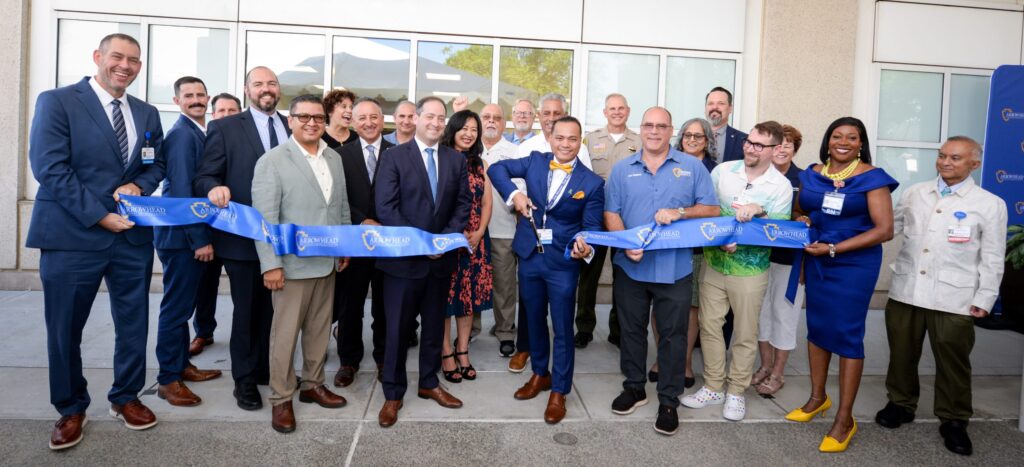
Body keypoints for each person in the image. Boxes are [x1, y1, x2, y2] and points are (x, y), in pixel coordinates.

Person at [28, 33, 165, 450]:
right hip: (73, 234)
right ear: (98, 57)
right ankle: (71, 407)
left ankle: (126, 397)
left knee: (133, 323)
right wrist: (99, 215)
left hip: (131, 237)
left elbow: (155, 163)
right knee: (65, 327)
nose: (125, 65)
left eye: (134, 60)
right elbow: (50, 168)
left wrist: (140, 186)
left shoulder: (147, 112)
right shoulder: (58, 101)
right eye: (117, 57)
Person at [876, 136, 1006, 456]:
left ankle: (954, 419)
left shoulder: (990, 204)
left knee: (953, 361)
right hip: (907, 290)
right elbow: (888, 226)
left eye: (955, 158)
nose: (946, 162)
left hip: (955, 297)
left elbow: (992, 257)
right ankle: (901, 403)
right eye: (942, 155)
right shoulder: (915, 192)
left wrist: (985, 297)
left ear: (974, 164)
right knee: (902, 353)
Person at [784, 117, 897, 453]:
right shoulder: (813, 174)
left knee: (847, 335)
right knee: (817, 328)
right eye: (837, 136)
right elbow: (800, 209)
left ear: (861, 143)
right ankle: (817, 398)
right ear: (828, 140)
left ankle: (845, 419)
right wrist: (803, 219)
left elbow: (884, 230)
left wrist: (834, 248)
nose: (843, 142)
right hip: (817, 258)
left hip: (853, 264)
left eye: (852, 137)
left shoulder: (872, 178)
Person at [605, 107, 719, 436]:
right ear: (640, 129)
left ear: (671, 131)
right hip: (631, 266)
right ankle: (634, 387)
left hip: (675, 268)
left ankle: (669, 400)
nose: (654, 131)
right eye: (649, 125)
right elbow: (611, 212)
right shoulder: (622, 169)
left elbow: (712, 209)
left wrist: (680, 212)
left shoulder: (692, 167)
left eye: (661, 126)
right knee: (631, 331)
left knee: (673, 336)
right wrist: (626, 242)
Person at [489, 115, 604, 424]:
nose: (565, 144)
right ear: (550, 138)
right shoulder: (535, 161)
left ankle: (560, 390)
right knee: (534, 319)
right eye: (560, 138)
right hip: (530, 255)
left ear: (580, 142)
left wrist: (585, 245)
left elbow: (592, 228)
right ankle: (540, 373)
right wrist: (515, 195)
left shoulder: (592, 183)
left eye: (572, 139)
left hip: (563, 263)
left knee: (563, 328)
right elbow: (496, 169)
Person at [681, 121, 793, 422]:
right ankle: (713, 386)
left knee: (745, 332)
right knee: (709, 327)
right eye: (748, 142)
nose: (750, 148)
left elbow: (778, 230)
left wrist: (759, 210)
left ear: (774, 150)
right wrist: (720, 238)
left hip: (750, 272)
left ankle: (735, 391)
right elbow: (708, 210)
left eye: (759, 145)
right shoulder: (722, 172)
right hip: (714, 264)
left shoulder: (780, 186)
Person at [252, 94, 351, 434]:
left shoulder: (334, 158)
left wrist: (343, 245)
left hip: (327, 262)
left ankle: (312, 384)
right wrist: (270, 264)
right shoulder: (272, 161)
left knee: (319, 330)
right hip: (291, 267)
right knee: (284, 337)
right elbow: (265, 220)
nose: (312, 123)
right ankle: (281, 398)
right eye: (304, 117)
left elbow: (340, 206)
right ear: (290, 120)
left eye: (318, 118)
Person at [194, 66, 289, 412]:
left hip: (284, 239)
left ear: (279, 89)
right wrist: (213, 188)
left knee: (273, 311)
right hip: (243, 238)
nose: (266, 89)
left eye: (271, 83)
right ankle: (244, 380)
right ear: (247, 90)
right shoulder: (225, 127)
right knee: (247, 311)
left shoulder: (291, 125)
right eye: (258, 83)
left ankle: (264, 369)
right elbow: (205, 175)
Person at [374, 96, 472, 428]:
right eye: (429, 116)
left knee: (433, 328)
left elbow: (463, 205)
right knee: (397, 331)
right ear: (416, 119)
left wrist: (442, 240)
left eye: (441, 118)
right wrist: (421, 243)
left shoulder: (455, 160)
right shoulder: (393, 157)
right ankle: (393, 393)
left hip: (440, 262)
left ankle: (429, 383)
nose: (435, 122)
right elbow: (386, 207)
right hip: (403, 263)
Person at [507, 93, 593, 371]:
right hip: (530, 236)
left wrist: (583, 238)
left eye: (557, 113)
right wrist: (518, 200)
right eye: (547, 113)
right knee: (530, 306)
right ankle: (527, 351)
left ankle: (554, 373)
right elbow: (513, 185)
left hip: (561, 245)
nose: (551, 118)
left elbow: (585, 192)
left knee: (560, 313)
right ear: (539, 117)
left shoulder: (579, 151)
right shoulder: (528, 149)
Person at [153, 76, 223, 408]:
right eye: (189, 95)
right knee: (176, 308)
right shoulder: (182, 135)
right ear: (177, 101)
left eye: (200, 94)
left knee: (183, 307)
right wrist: (199, 239)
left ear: (208, 98)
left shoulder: (199, 131)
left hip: (187, 235)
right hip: (181, 238)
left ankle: (181, 365)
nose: (196, 99)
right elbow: (182, 192)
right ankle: (168, 379)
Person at [333, 97, 394, 388]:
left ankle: (384, 358)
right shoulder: (339, 156)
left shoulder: (399, 153)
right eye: (362, 118)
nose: (368, 123)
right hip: (353, 243)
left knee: (385, 306)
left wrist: (384, 223)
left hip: (388, 242)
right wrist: (362, 221)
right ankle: (348, 361)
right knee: (349, 306)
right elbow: (336, 198)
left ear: (382, 120)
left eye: (374, 117)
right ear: (353, 123)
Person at [575, 93, 641, 349]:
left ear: (628, 111)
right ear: (605, 112)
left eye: (621, 108)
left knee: (622, 274)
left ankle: (618, 329)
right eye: (612, 108)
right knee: (589, 273)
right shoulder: (590, 139)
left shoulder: (639, 141)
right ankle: (584, 328)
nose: (616, 112)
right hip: (595, 215)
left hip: (626, 215)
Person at [657, 117, 718, 388]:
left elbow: (715, 209)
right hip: (665, 243)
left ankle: (684, 362)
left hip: (697, 248)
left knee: (691, 306)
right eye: (687, 135)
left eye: (698, 136)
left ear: (708, 141)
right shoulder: (665, 163)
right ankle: (661, 359)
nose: (692, 140)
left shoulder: (715, 170)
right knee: (660, 302)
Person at [439, 110, 494, 383]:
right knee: (444, 297)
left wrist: (480, 231)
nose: (469, 134)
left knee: (467, 297)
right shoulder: (440, 158)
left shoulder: (480, 164)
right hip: (447, 238)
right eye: (464, 128)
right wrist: (453, 232)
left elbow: (486, 202)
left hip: (475, 240)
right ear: (453, 129)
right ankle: (445, 352)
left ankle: (462, 350)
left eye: (474, 129)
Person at [752, 124, 804, 396]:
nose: (782, 149)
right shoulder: (758, 176)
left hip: (790, 260)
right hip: (759, 256)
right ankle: (765, 365)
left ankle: (778, 372)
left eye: (789, 144)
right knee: (761, 315)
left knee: (784, 315)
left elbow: (809, 217)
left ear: (795, 149)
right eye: (778, 144)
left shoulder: (804, 179)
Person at [189, 91, 241, 357]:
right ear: (213, 114)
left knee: (243, 292)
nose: (226, 116)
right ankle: (203, 331)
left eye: (232, 111)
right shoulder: (201, 139)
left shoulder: (245, 140)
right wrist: (200, 238)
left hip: (239, 230)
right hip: (209, 229)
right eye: (221, 111)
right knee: (205, 286)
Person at [479, 104, 524, 357]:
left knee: (504, 285)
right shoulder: (469, 148)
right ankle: (471, 329)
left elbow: (520, 192)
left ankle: (505, 331)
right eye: (486, 117)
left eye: (497, 118)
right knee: (472, 281)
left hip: (502, 228)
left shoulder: (515, 152)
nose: (491, 121)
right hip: (472, 230)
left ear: (504, 124)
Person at [705, 87, 746, 163]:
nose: (715, 107)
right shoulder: (691, 138)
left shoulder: (744, 140)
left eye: (721, 103)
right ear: (705, 108)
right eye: (710, 103)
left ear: (730, 108)